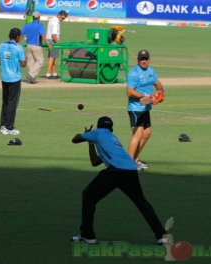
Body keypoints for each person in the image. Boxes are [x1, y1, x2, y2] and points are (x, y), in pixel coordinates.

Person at [71, 116, 167, 244]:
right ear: (111, 128)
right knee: (142, 203)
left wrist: (87, 135)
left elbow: (75, 139)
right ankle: (162, 236)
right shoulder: (114, 139)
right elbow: (95, 162)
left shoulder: (97, 133)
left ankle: (88, 235)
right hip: (130, 171)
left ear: (99, 126)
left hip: (115, 171)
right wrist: (91, 142)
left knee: (88, 196)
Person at [126, 50, 164, 170]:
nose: (144, 61)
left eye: (146, 59)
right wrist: (144, 96)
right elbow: (129, 92)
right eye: (142, 59)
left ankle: (135, 159)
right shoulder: (133, 73)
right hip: (135, 108)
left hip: (145, 107)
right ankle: (129, 162)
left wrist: (160, 94)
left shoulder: (151, 71)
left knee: (147, 134)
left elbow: (158, 84)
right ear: (138, 60)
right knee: (138, 134)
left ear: (149, 59)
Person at [0, 28, 26, 135]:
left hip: (4, 78)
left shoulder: (1, 46)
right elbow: (23, 64)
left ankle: (3, 126)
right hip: (14, 79)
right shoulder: (18, 48)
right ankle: (9, 127)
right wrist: (25, 58)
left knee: (5, 102)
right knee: (12, 104)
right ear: (18, 37)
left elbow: (0, 62)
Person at [21, 12, 52, 84]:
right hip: (36, 46)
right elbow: (42, 35)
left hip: (28, 46)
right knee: (40, 62)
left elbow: (21, 34)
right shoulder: (40, 25)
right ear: (38, 18)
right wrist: (48, 43)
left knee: (31, 62)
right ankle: (31, 75)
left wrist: (18, 43)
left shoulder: (27, 25)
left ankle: (32, 78)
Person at [46, 10, 68, 79]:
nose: (63, 20)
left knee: (53, 57)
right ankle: (48, 74)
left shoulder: (52, 19)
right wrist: (58, 43)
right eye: (62, 18)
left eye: (64, 18)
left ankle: (54, 74)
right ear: (59, 15)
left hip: (49, 40)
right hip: (53, 41)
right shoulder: (56, 22)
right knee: (52, 57)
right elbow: (54, 35)